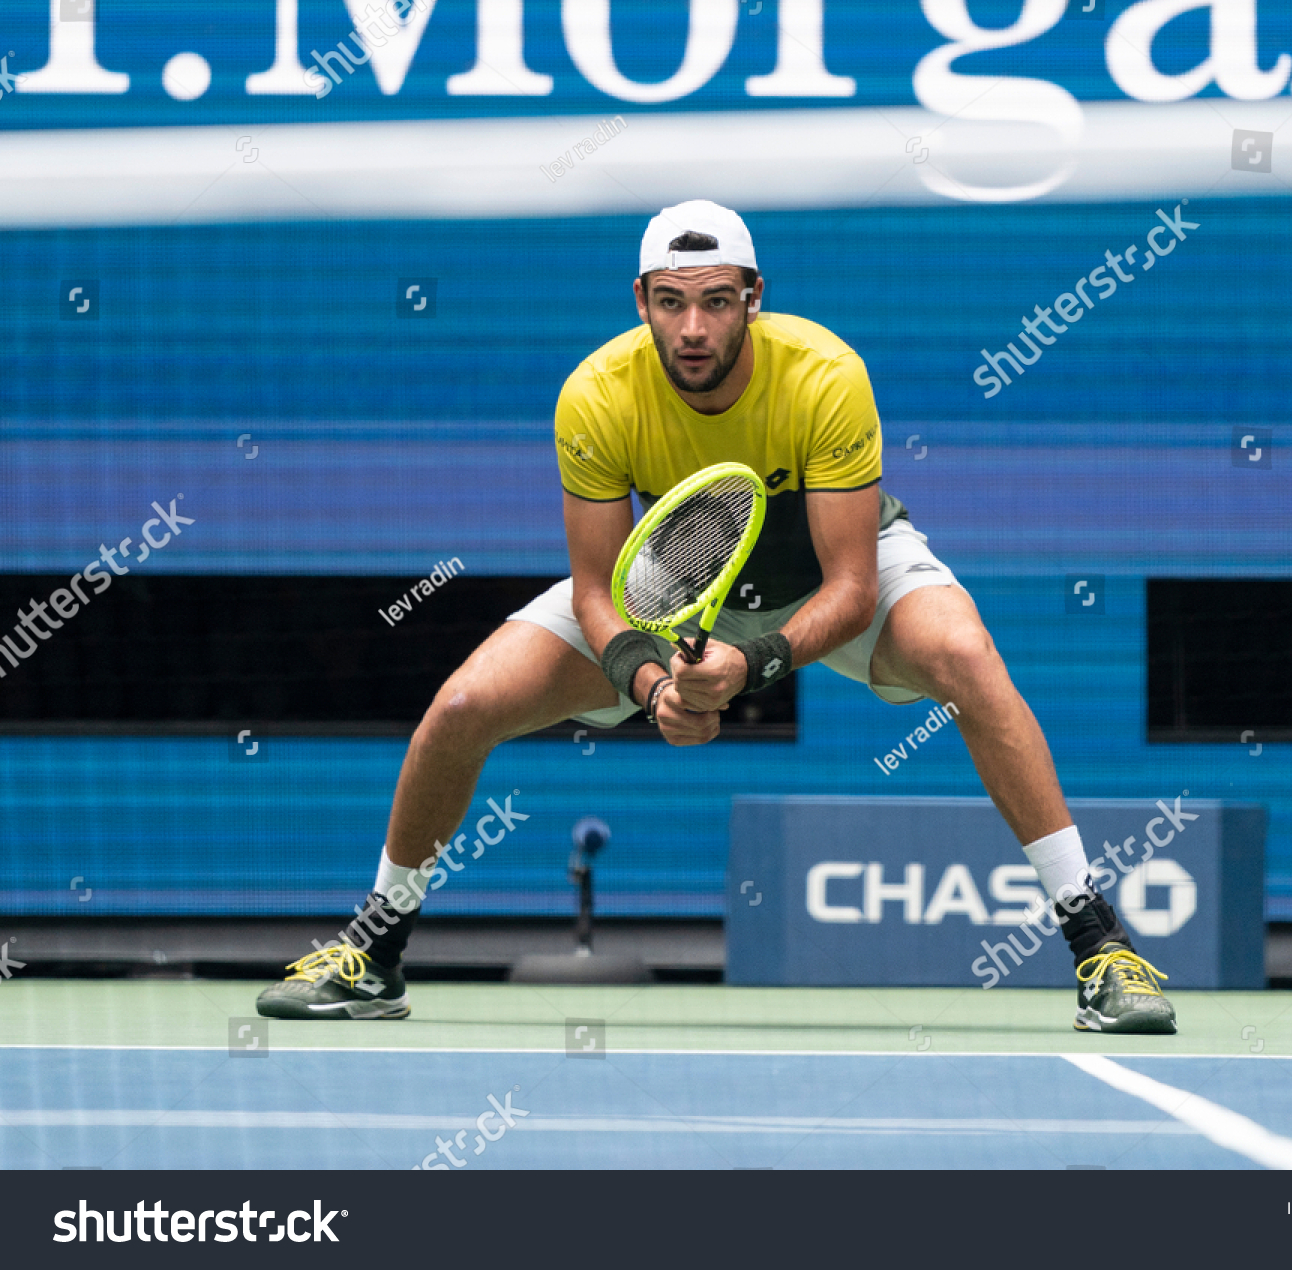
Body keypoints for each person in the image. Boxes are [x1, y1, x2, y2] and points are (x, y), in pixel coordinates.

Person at [257, 200, 1176, 1033]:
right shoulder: (596, 394)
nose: (692, 327)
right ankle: (373, 953)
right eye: (669, 302)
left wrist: (751, 666)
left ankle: (1100, 943)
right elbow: (592, 588)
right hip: (668, 583)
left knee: (968, 659)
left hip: (824, 573)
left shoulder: (825, 375)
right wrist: (653, 685)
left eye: (716, 301)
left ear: (753, 298)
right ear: (641, 300)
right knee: (461, 709)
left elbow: (854, 586)